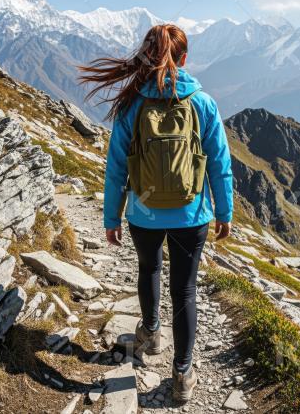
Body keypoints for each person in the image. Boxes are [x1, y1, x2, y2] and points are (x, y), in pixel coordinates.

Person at [78, 24, 233, 402]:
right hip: (192, 215)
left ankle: (150, 333)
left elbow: (116, 167)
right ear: (184, 59)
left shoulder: (132, 104)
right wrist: (224, 212)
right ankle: (182, 374)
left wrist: (111, 217)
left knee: (149, 269)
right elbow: (219, 164)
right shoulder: (203, 103)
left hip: (143, 213)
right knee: (185, 290)